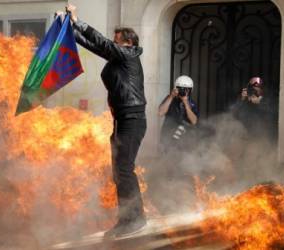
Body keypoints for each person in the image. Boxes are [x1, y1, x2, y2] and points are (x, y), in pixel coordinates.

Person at [63, 4, 147, 237]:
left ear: (128, 43)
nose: (113, 42)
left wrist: (78, 21)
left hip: (133, 118)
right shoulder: (118, 57)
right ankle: (128, 217)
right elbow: (94, 45)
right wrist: (69, 29)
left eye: (117, 40)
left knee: (124, 169)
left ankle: (135, 219)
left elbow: (102, 44)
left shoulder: (129, 54)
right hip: (122, 120)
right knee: (118, 171)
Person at [158, 75, 199, 152]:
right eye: (181, 89)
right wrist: (171, 96)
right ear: (176, 88)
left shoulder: (192, 104)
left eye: (187, 90)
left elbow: (194, 121)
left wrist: (186, 103)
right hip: (167, 138)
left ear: (191, 90)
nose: (184, 92)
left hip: (184, 142)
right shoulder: (169, 99)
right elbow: (160, 113)